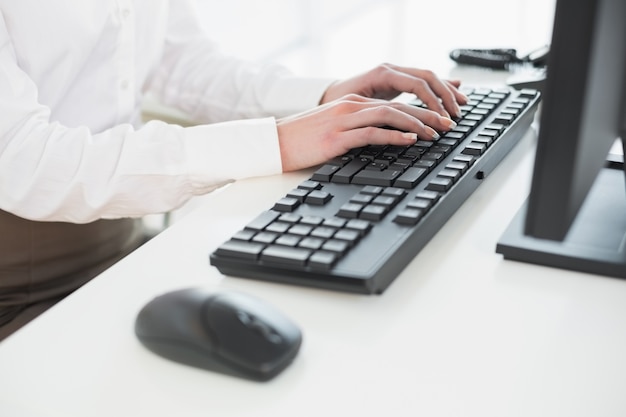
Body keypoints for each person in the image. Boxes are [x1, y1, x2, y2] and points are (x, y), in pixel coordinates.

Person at [0, 0, 467, 340]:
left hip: (122, 246)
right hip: (16, 288)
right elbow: (23, 158)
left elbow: (182, 63)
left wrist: (324, 97)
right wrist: (278, 141)